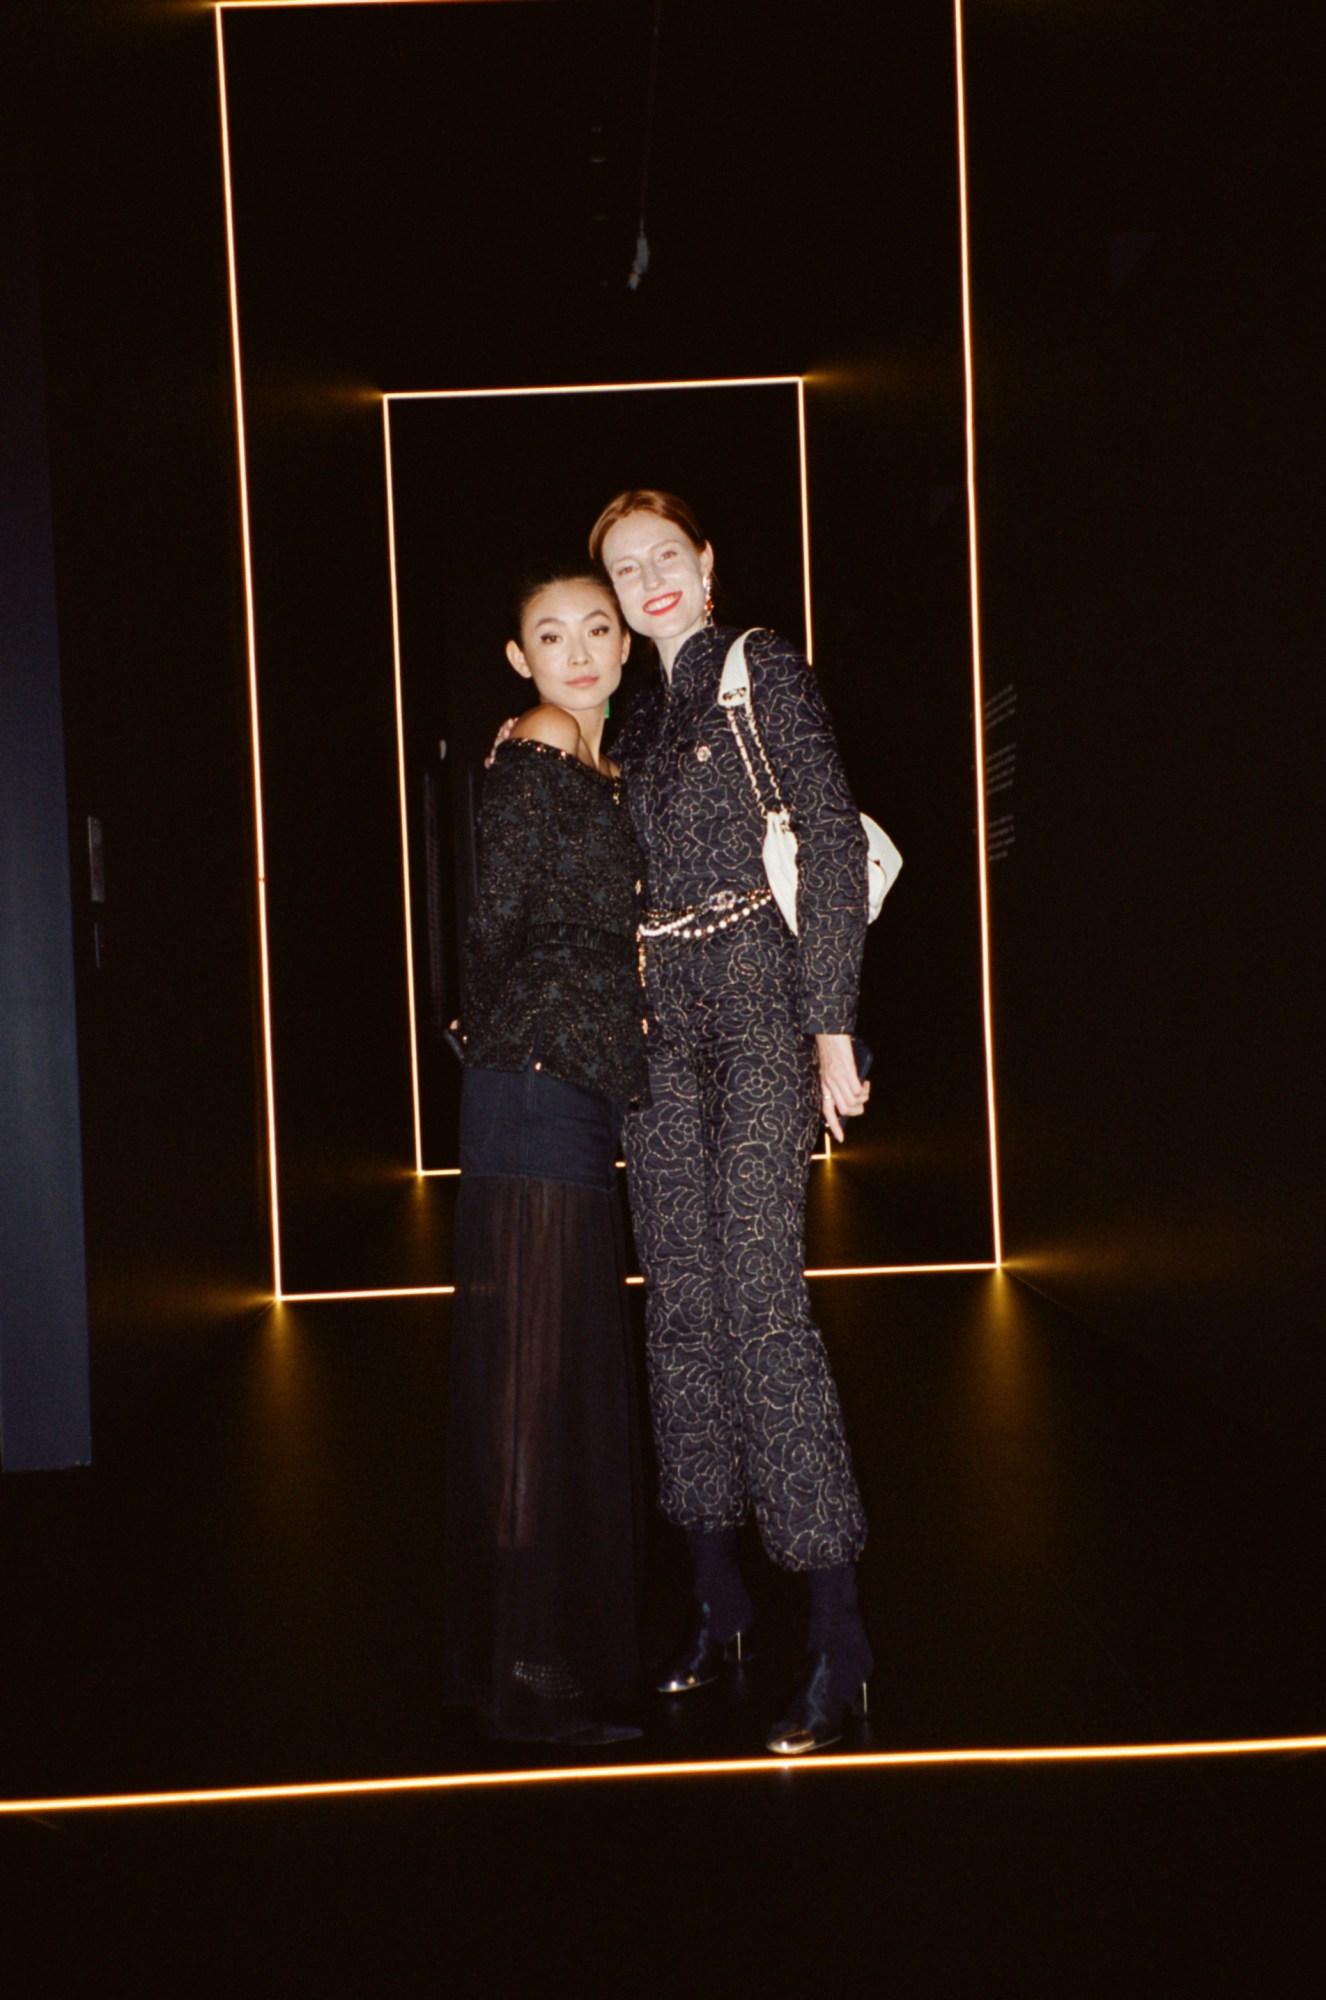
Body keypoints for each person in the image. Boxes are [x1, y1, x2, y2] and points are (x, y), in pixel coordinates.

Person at [590, 487, 874, 1756]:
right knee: (683, 1310)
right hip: (663, 1031)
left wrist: (831, 1025)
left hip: (762, 1005)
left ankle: (840, 1636)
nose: (650, 576)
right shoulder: (631, 716)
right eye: (625, 565)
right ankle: (718, 1602)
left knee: (763, 1301)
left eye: (667, 553)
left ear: (706, 562)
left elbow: (828, 835)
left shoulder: (764, 669)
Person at [442, 567, 648, 1745]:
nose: (578, 651)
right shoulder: (546, 737)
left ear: (623, 642)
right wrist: (493, 1027)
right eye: (550, 635)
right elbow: (495, 918)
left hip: (565, 1083)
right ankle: (522, 1661)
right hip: (533, 1079)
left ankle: (529, 1641)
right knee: (530, 1373)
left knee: (549, 1363)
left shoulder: (601, 762)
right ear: (520, 658)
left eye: (596, 628)